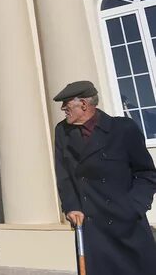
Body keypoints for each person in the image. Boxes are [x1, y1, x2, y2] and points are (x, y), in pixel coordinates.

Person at [53, 80, 156, 275]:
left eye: (67, 103)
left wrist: (134, 206)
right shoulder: (62, 132)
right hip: (92, 227)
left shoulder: (123, 128)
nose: (63, 108)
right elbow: (64, 175)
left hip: (127, 224)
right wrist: (71, 205)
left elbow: (146, 173)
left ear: (83, 104)